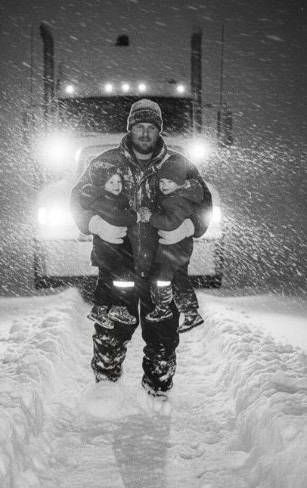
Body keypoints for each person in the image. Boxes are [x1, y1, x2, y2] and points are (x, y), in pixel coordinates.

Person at [70, 99, 213, 402]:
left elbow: (204, 204)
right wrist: (95, 224)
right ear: (130, 128)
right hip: (118, 264)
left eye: (151, 127)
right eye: (139, 126)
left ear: (159, 130)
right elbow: (78, 201)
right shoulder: (104, 163)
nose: (145, 133)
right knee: (111, 333)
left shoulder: (180, 165)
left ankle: (157, 395)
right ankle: (105, 393)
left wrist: (189, 227)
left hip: (164, 266)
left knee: (162, 337)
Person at [138, 155, 205, 332]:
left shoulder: (176, 200)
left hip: (174, 246)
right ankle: (190, 312)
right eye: (161, 181)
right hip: (179, 246)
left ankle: (163, 308)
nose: (164, 185)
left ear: (180, 184)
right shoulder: (178, 196)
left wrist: (150, 217)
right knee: (178, 278)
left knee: (162, 278)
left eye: (169, 181)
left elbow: (170, 223)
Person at [78, 169, 138, 330]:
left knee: (122, 281)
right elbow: (118, 218)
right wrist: (136, 216)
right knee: (107, 281)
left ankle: (118, 308)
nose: (116, 185)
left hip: (119, 250)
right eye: (111, 182)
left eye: (119, 182)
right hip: (107, 251)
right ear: (103, 185)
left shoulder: (119, 199)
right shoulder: (103, 201)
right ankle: (99, 309)